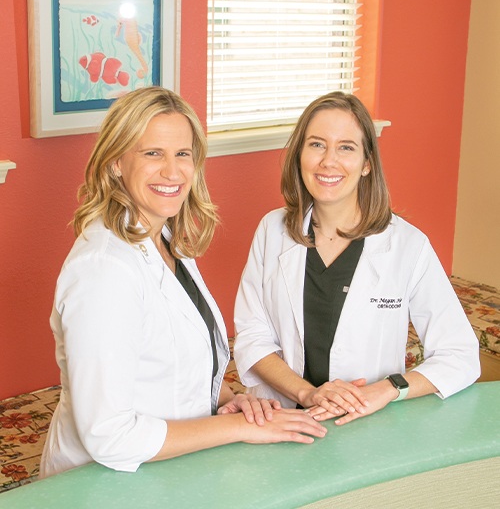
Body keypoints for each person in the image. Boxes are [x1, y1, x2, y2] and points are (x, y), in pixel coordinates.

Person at [40, 87, 327, 479]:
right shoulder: (104, 272)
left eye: (183, 154)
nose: (172, 172)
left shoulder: (166, 238)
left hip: (170, 466)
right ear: (115, 163)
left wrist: (229, 400)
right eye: (152, 153)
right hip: (102, 482)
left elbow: (170, 365)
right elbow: (110, 437)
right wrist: (240, 428)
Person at [234, 91, 480, 425]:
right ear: (300, 155)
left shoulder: (408, 245)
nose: (328, 161)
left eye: (346, 147)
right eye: (317, 144)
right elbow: (252, 337)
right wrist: (307, 393)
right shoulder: (272, 230)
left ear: (366, 163)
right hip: (281, 418)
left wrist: (387, 389)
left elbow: (461, 355)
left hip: (365, 424)